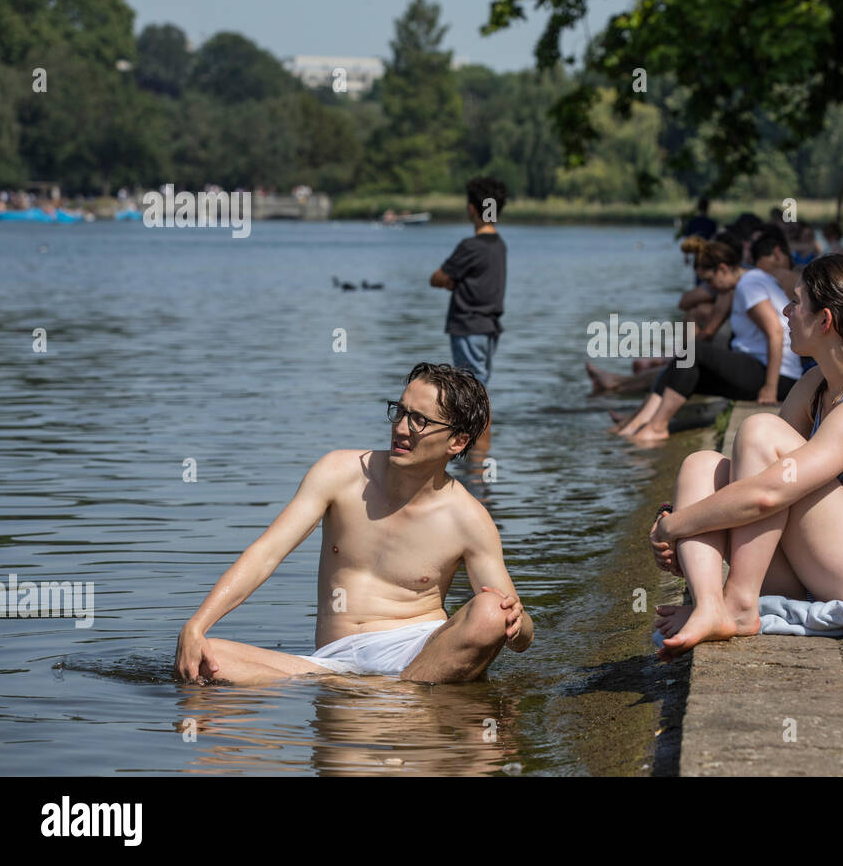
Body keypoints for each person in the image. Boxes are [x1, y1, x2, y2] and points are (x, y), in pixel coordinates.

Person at [647, 255, 843, 659]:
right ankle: (711, 602)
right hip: (821, 561)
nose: (785, 310)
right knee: (701, 465)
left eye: (796, 302)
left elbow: (768, 493)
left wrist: (676, 526)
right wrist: (691, 535)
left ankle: (741, 603)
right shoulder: (817, 383)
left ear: (825, 320)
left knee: (760, 431)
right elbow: (753, 475)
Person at [173, 363, 533, 685]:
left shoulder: (468, 517)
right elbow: (266, 554)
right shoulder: (338, 473)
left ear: (457, 441)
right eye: (400, 412)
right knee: (203, 659)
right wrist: (197, 624)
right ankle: (378, 695)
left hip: (419, 655)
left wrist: (518, 625)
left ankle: (400, 695)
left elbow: (518, 627)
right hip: (329, 666)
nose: (402, 428)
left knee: (489, 612)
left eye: (420, 420)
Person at [615, 238, 803, 444]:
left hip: (778, 376)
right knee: (683, 367)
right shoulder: (751, 280)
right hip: (762, 369)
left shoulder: (749, 286)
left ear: (723, 269)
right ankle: (640, 421)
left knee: (694, 351)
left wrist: (770, 387)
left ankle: (656, 426)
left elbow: (775, 332)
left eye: (710, 281)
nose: (710, 288)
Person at [431, 176, 508, 388]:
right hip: (489, 328)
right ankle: (483, 422)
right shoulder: (499, 245)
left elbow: (436, 278)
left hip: (468, 327)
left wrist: (449, 282)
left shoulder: (470, 246)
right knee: (478, 387)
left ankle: (482, 423)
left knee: (471, 391)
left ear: (472, 209)